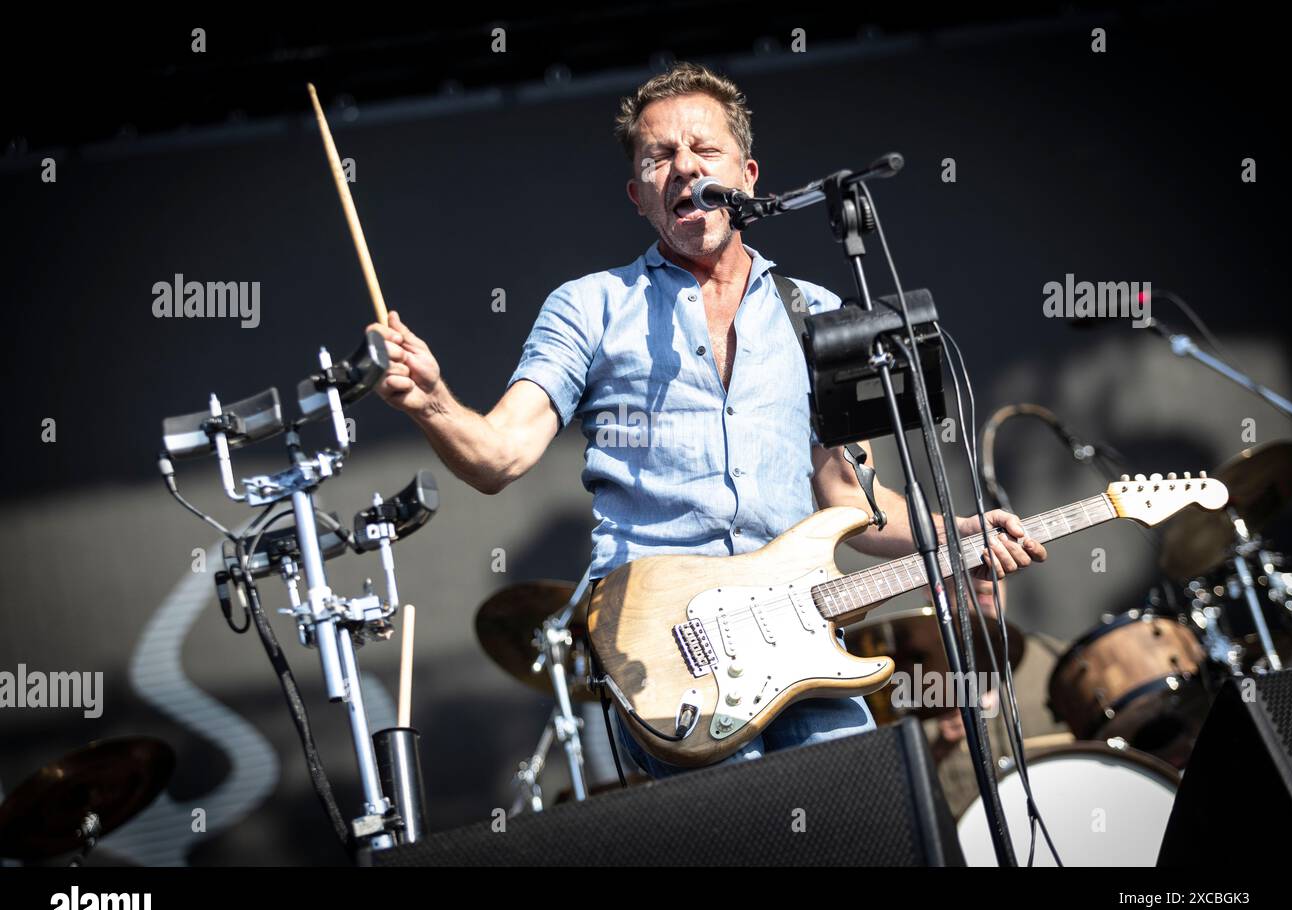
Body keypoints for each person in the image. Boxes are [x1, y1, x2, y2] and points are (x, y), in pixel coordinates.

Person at [367, 62, 1046, 779]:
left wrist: (956, 532)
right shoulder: (591, 306)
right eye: (659, 157)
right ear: (638, 196)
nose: (684, 166)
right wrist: (434, 401)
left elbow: (854, 500)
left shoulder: (812, 311)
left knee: (863, 816)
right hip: (664, 644)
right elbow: (499, 456)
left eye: (704, 149)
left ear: (747, 174)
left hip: (797, 637)